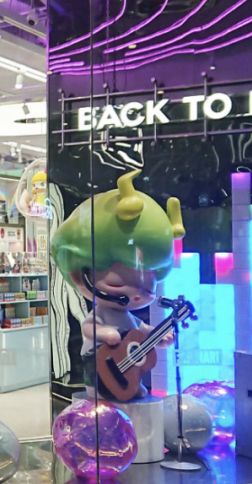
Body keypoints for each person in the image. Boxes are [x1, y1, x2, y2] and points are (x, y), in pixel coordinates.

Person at [50, 170, 185, 399]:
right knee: (97, 384)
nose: (136, 294)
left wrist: (159, 337)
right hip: (98, 362)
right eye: (116, 283)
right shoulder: (102, 313)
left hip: (125, 369)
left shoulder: (129, 318)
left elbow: (141, 330)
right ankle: (100, 390)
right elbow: (88, 327)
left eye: (148, 288)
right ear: (79, 275)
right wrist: (104, 332)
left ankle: (129, 385)